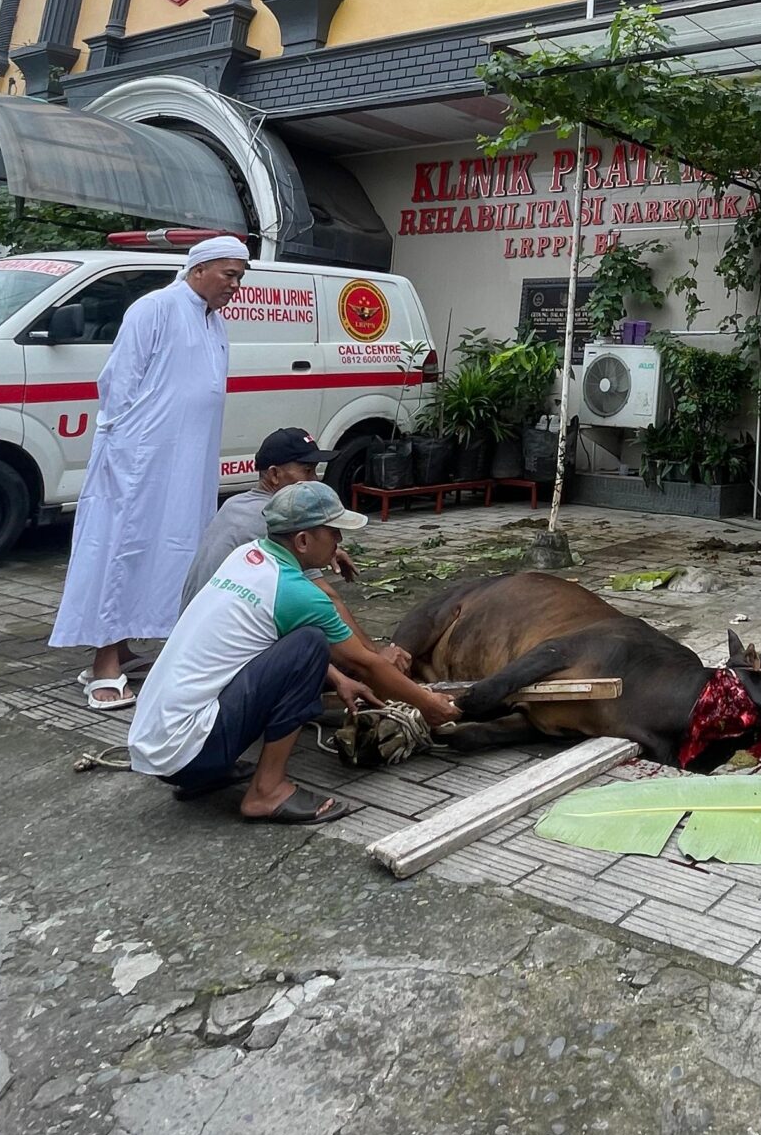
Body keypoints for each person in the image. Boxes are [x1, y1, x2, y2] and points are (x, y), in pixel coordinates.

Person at [127, 481, 460, 824]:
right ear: (303, 541)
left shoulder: (248, 557)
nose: (340, 543)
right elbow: (368, 665)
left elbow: (268, 643)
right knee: (311, 644)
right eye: (333, 533)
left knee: (304, 646)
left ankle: (209, 772)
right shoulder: (296, 592)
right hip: (189, 752)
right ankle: (267, 791)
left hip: (161, 746)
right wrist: (427, 703)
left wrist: (337, 678)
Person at [49, 235, 251, 710]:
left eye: (240, 277)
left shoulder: (212, 321)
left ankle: (122, 647)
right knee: (122, 548)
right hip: (138, 463)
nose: (235, 286)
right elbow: (118, 384)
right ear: (199, 269)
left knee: (169, 549)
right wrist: (123, 453)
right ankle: (102, 666)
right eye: (230, 274)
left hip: (184, 466)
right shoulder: (155, 308)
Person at [186, 427, 344, 595]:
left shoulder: (235, 504)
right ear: (274, 474)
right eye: (307, 471)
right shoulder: (274, 519)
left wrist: (328, 549)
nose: (315, 480)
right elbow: (326, 595)